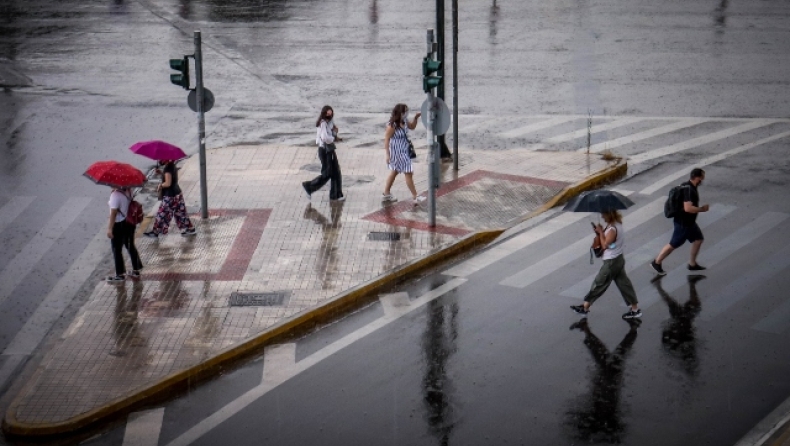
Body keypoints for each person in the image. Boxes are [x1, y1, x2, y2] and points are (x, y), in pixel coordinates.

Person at [571, 209, 642, 319]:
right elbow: (609, 242)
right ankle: (635, 309)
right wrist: (600, 232)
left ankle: (584, 308)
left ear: (609, 214)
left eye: (604, 214)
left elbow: (605, 245)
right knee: (624, 284)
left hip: (611, 262)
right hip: (617, 259)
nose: (602, 217)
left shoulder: (612, 229)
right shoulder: (616, 224)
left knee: (599, 283)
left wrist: (600, 232)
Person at [651, 168, 710, 275]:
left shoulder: (686, 185)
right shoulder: (689, 190)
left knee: (698, 239)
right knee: (673, 244)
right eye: (702, 177)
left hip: (689, 223)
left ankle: (692, 264)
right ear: (697, 178)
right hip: (684, 224)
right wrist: (702, 209)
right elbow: (688, 208)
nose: (703, 180)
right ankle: (656, 262)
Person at [381, 103, 425, 205]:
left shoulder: (404, 121)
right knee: (408, 172)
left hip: (404, 151)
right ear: (400, 112)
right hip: (397, 153)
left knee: (395, 172)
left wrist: (416, 118)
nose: (406, 113)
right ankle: (415, 196)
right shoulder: (392, 125)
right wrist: (387, 154)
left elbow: (412, 127)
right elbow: (387, 139)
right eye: (405, 111)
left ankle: (386, 193)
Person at [144, 160, 196, 238]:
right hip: (177, 194)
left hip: (170, 196)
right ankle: (190, 228)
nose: (160, 160)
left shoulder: (168, 169)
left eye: (162, 158)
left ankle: (155, 232)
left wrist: (160, 185)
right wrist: (161, 173)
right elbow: (171, 178)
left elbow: (168, 183)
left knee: (161, 214)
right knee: (181, 213)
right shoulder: (172, 166)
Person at [302, 105, 344, 201]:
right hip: (325, 151)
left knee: (335, 172)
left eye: (331, 114)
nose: (330, 115)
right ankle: (309, 186)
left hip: (329, 149)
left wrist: (335, 133)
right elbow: (325, 138)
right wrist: (333, 138)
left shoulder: (329, 123)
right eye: (328, 114)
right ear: (324, 114)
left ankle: (336, 195)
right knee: (328, 173)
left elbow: (331, 135)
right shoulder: (323, 124)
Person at [107, 187, 143, 282]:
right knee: (130, 245)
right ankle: (136, 269)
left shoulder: (115, 195)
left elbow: (113, 213)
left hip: (119, 224)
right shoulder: (128, 191)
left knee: (116, 249)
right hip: (130, 223)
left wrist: (110, 228)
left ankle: (120, 274)